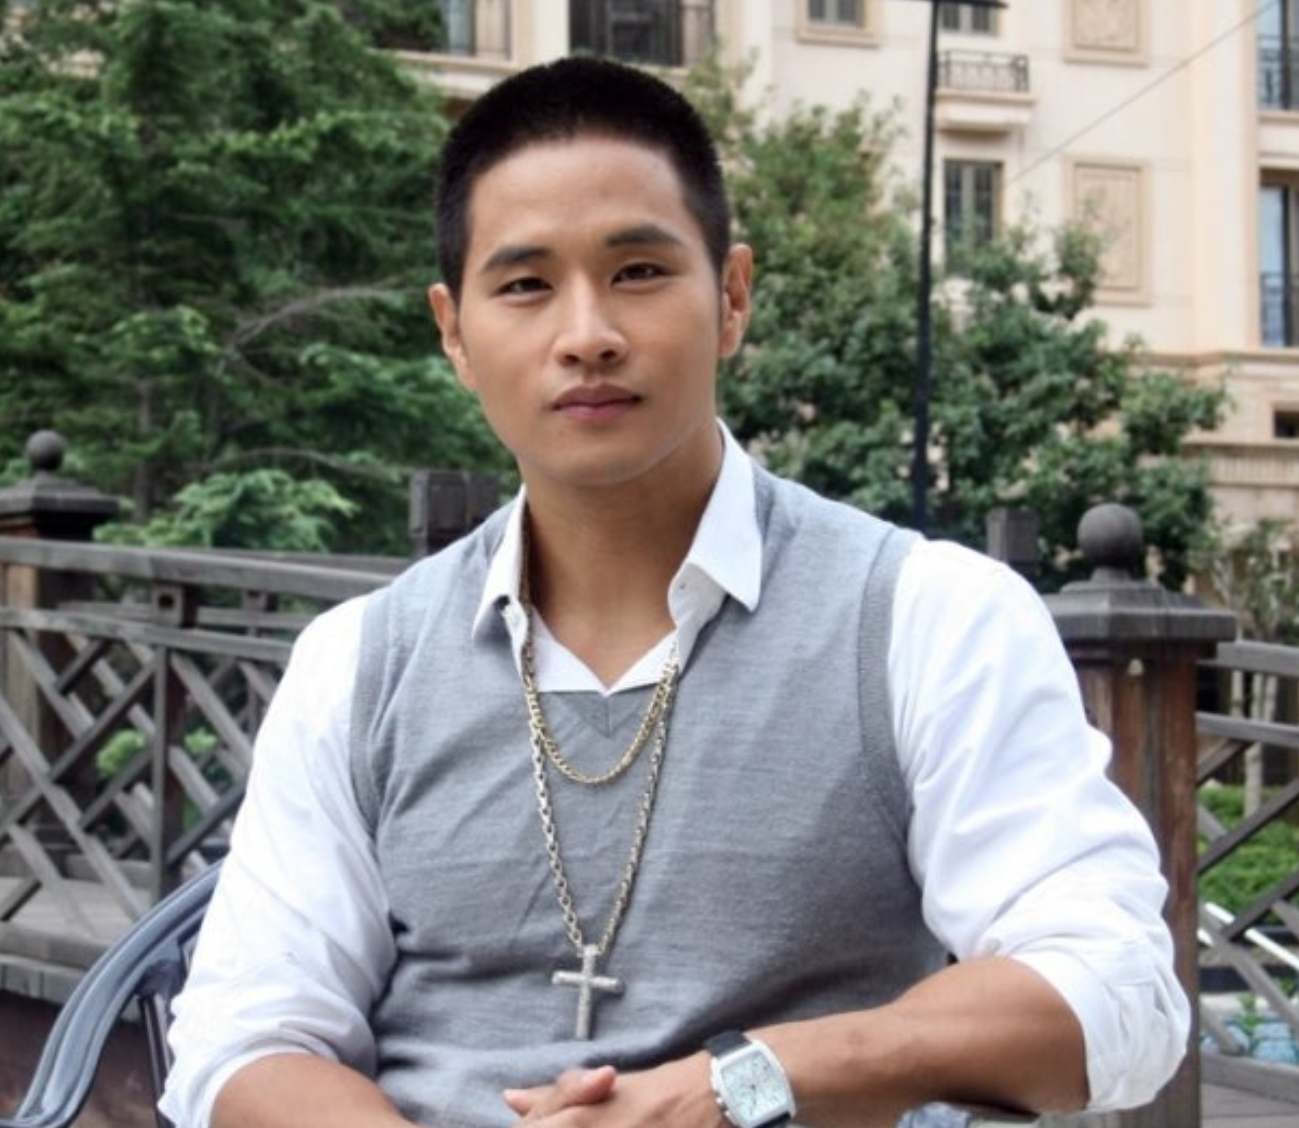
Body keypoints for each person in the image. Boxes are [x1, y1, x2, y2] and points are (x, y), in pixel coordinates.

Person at [160, 56, 1188, 1128]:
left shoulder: (926, 618)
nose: (586, 334)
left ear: (731, 297)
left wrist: (741, 1084)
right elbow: (242, 1043)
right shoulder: (359, 661)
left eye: (640, 271)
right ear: (454, 332)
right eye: (525, 286)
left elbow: (1112, 991)